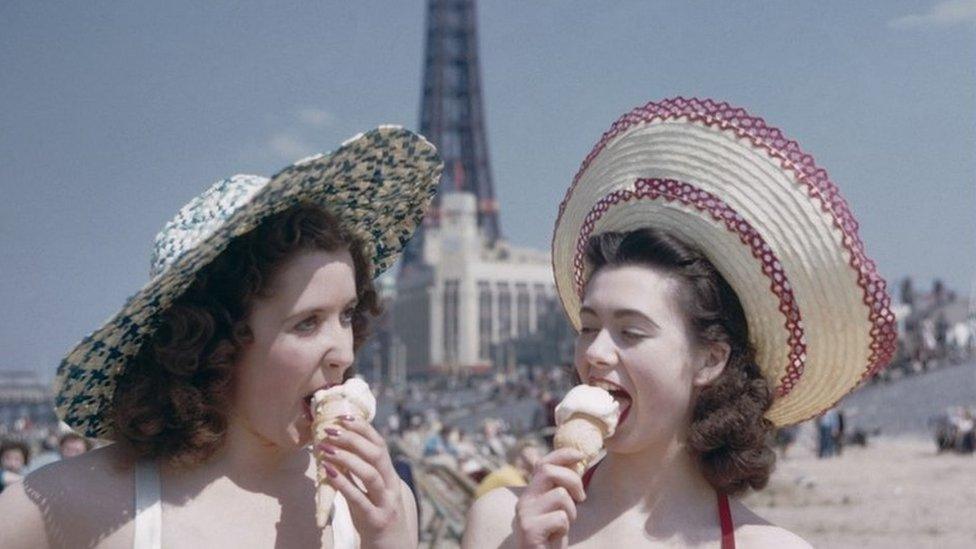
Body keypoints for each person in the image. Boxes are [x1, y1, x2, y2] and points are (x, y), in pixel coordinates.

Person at [464, 97, 897, 548]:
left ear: (709, 360)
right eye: (588, 327)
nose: (593, 353)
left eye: (630, 332)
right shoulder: (500, 520)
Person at [0, 127, 441, 548]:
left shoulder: (384, 507)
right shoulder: (64, 507)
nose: (343, 352)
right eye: (306, 323)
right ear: (214, 343)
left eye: (347, 315)